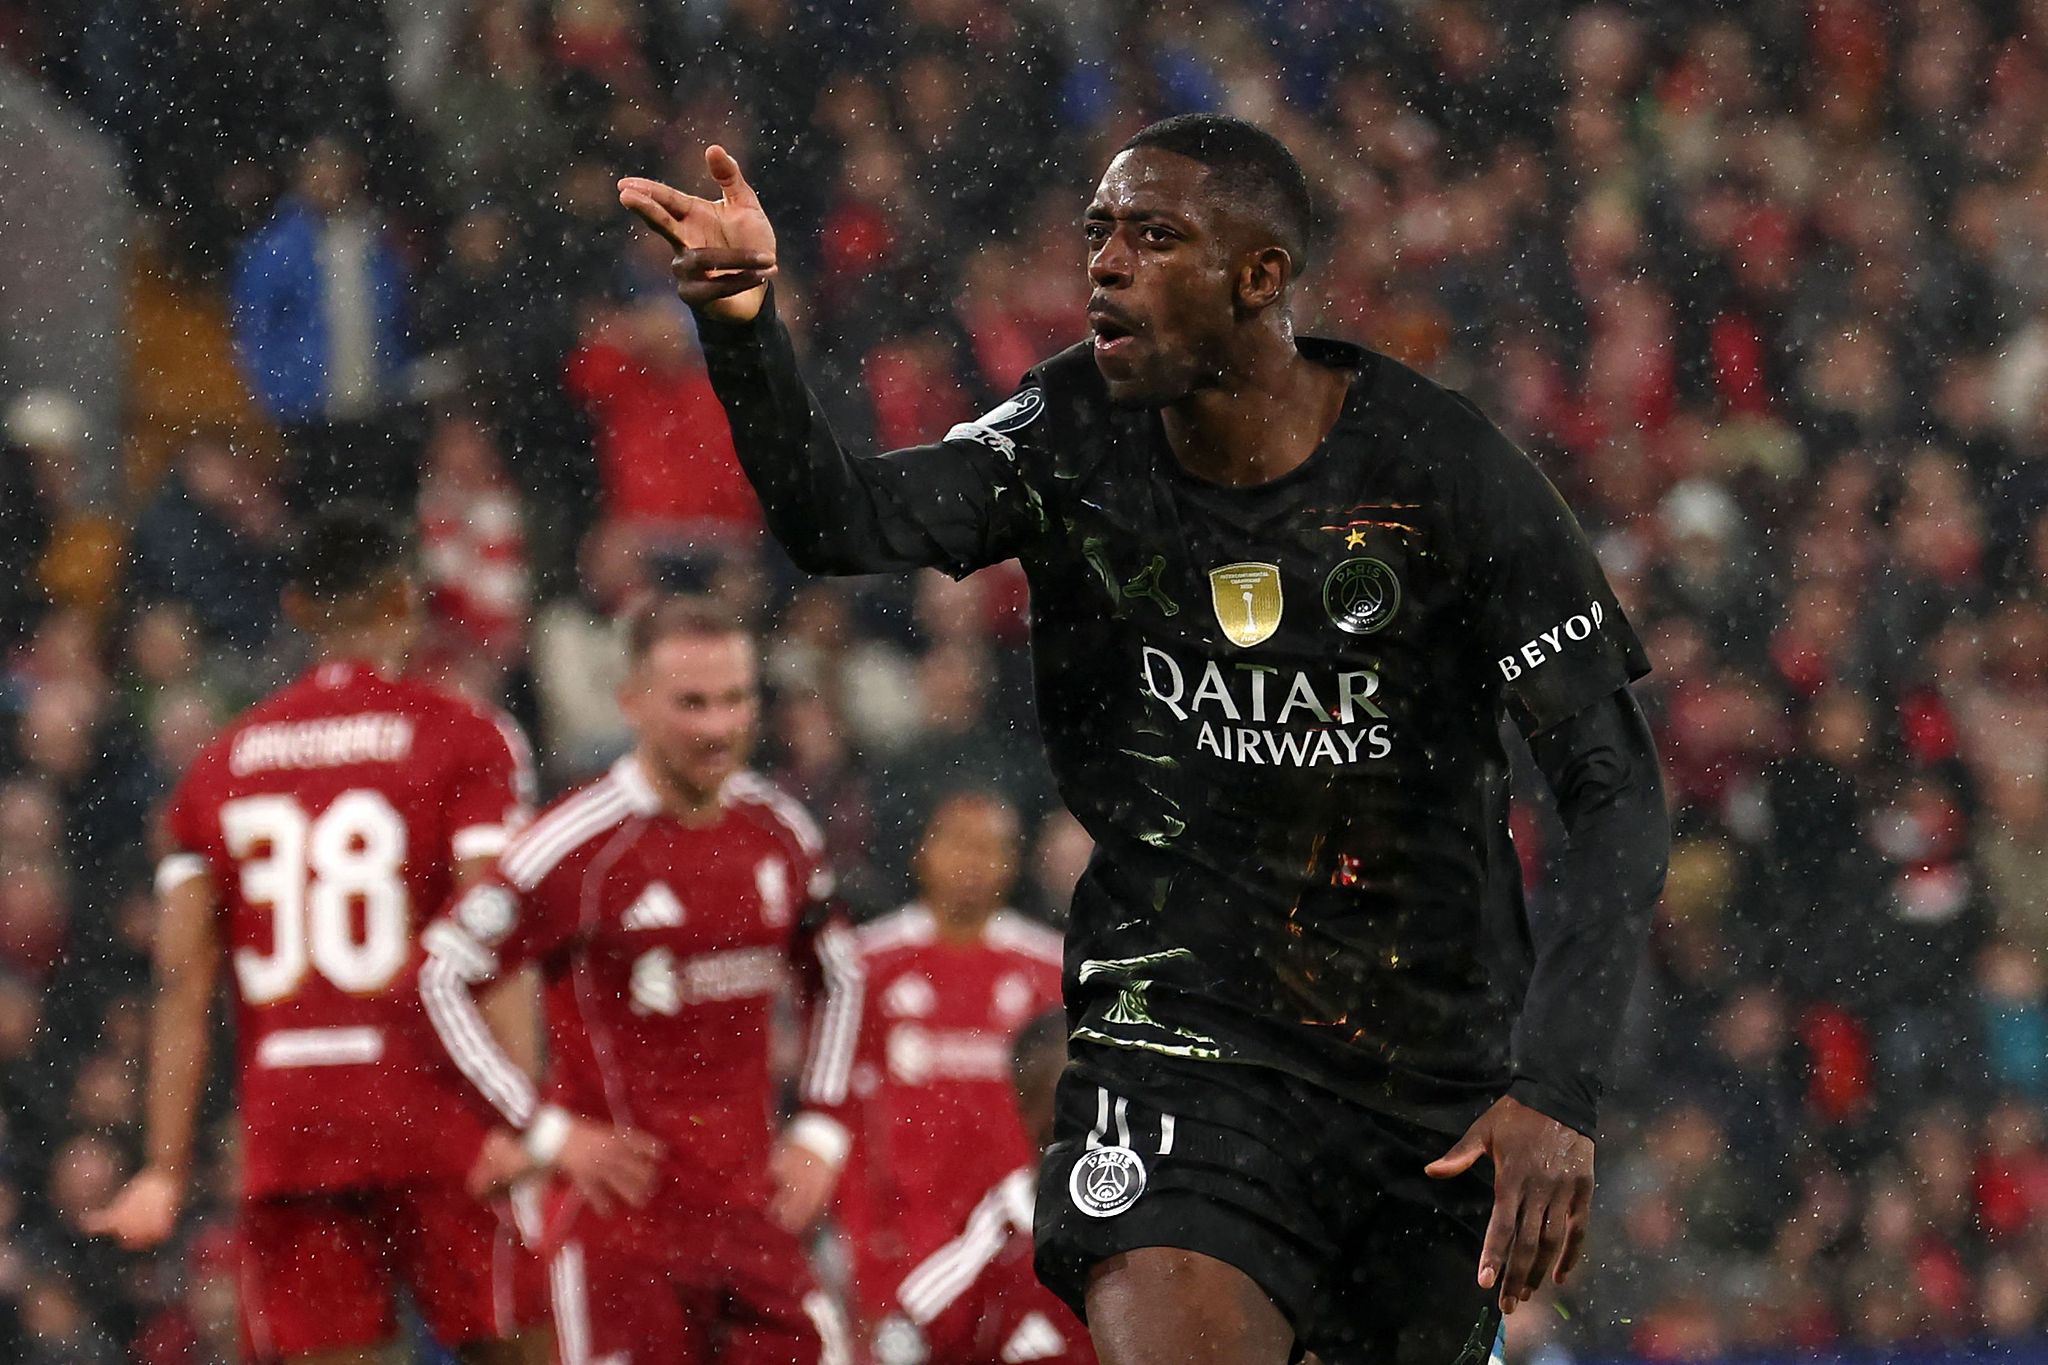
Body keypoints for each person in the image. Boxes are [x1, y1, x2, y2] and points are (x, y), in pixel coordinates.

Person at [619, 111, 1670, 1365]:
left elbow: (1611, 790)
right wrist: (745, 332)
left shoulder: (1440, 472)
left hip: (1420, 1075)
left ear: (1259, 279)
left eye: (1154, 237)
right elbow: (844, 519)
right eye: (1096, 234)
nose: (1104, 264)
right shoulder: (1068, 434)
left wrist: (1557, 1087)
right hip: (1175, 1048)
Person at [87, 504, 549, 1364]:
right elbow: (499, 939)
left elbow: (180, 981)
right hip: (436, 1106)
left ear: (298, 609)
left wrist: (163, 1166)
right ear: (404, 603)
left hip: (293, 1123)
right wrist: (523, 1112)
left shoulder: (219, 765)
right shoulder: (465, 739)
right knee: (518, 1346)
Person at [415, 594, 852, 1365]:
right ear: (633, 701)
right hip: (625, 1235)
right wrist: (541, 1127)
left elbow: (839, 976)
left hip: (755, 1221)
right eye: (691, 703)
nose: (718, 726)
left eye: (735, 699)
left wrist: (820, 1125)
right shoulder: (579, 845)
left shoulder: (782, 832)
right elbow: (440, 977)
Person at [785, 791, 1063, 1324]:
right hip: (892, 1240)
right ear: (923, 851)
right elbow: (829, 1105)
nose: (973, 864)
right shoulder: (862, 969)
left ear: (1014, 863)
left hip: (1012, 1244)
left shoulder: (1051, 974)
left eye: (991, 849)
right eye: (959, 843)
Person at [872, 1009, 1093, 1365]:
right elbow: (903, 1336)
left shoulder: (1159, 1232)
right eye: (1069, 1101)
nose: (1092, 1118)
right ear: (1028, 1108)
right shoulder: (997, 1246)